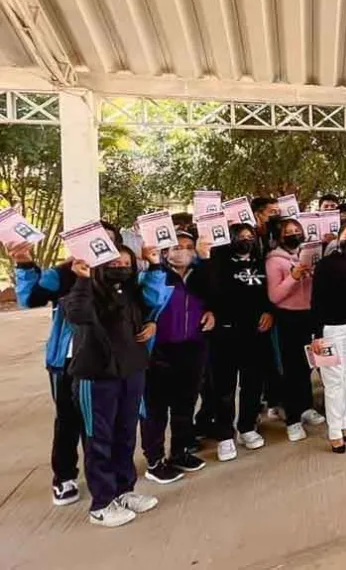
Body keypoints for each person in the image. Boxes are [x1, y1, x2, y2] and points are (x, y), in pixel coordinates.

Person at [9, 222, 134, 506]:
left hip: (107, 361)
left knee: (104, 423)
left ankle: (106, 476)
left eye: (108, 241)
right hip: (67, 361)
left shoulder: (122, 273)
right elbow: (29, 299)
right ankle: (64, 476)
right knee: (68, 420)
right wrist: (25, 263)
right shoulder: (63, 274)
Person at [63, 245, 164, 527]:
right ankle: (101, 504)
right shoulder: (85, 291)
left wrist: (155, 266)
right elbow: (77, 315)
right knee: (99, 440)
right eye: (114, 262)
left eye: (126, 263)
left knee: (125, 435)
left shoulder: (129, 292)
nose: (121, 267)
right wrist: (83, 279)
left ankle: (124, 491)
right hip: (96, 377)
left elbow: (155, 300)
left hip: (131, 372)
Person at [142, 229, 213, 482]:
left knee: (185, 404)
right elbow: (147, 301)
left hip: (193, 347)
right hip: (160, 351)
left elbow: (213, 296)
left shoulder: (200, 273)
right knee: (156, 408)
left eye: (187, 246)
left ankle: (180, 451)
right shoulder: (154, 276)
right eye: (175, 247)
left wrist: (212, 312)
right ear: (165, 252)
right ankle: (154, 460)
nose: (182, 251)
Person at [207, 224, 275, 461]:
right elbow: (210, 292)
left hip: (256, 334)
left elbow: (269, 292)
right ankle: (225, 436)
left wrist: (269, 311)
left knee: (253, 384)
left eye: (250, 237)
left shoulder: (261, 262)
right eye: (240, 237)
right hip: (225, 334)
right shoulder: (218, 263)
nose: (246, 240)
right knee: (224, 387)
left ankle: (247, 427)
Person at [265, 218, 326, 443]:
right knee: (292, 369)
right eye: (288, 232)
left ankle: (306, 407)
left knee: (310, 365)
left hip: (311, 315)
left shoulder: (307, 253)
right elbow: (275, 296)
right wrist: (294, 276)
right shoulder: (274, 261)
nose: (294, 234)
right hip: (289, 319)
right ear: (280, 237)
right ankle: (293, 420)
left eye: (297, 230)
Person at [310, 224, 346, 453]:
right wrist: (316, 335)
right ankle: (334, 433)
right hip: (329, 330)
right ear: (338, 239)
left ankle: (344, 425)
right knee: (333, 382)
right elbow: (316, 300)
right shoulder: (325, 264)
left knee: (345, 377)